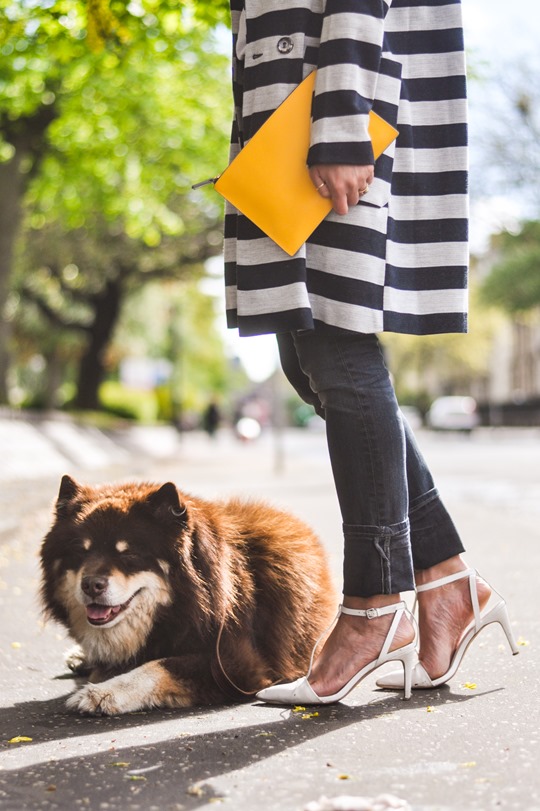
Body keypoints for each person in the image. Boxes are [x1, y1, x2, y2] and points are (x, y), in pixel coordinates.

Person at [223, 0, 518, 705]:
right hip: (300, 97)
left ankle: (374, 606)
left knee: (334, 338)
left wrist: (342, 114)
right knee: (308, 353)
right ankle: (448, 584)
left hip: (331, 97)